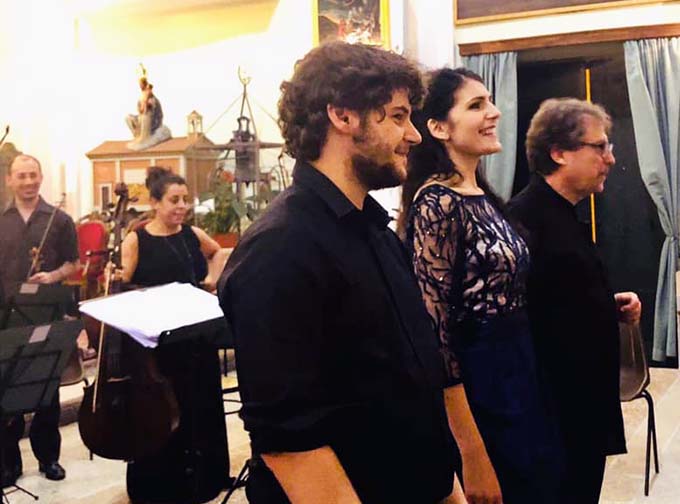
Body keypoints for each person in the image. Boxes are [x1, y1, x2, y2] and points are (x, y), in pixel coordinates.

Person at [218, 42, 461, 504]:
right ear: (343, 115)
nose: (413, 135)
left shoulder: (376, 232)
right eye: (398, 116)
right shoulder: (279, 249)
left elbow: (414, 389)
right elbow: (292, 444)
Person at [399, 68, 563, 504]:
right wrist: (471, 452)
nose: (494, 112)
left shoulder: (482, 195)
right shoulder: (437, 202)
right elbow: (435, 335)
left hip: (518, 368)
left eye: (489, 101)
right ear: (438, 128)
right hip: (480, 381)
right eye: (476, 105)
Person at [508, 98, 642, 504]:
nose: (610, 159)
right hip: (556, 419)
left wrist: (606, 304)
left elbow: (559, 300)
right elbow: (523, 325)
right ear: (559, 153)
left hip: (581, 410)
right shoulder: (523, 221)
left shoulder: (563, 213)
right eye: (599, 147)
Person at [120, 166, 230, 503]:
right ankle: (165, 486)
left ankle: (206, 479)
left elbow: (219, 252)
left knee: (202, 404)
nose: (182, 206)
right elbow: (123, 282)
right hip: (158, 345)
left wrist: (211, 281)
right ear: (155, 203)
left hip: (195, 337)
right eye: (174, 200)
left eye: (185, 199)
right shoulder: (137, 239)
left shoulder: (192, 235)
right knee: (166, 410)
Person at [0, 154, 77, 487]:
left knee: (47, 390)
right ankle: (8, 463)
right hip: (6, 318)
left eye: (33, 175)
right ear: (9, 180)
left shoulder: (59, 220)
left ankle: (49, 458)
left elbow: (73, 263)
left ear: (41, 177)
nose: (28, 181)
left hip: (46, 314)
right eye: (21, 176)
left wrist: (53, 275)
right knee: (6, 391)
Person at [125, 76, 171, 151]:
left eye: (141, 84)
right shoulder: (142, 97)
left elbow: (151, 111)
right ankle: (137, 135)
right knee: (128, 118)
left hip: (152, 122)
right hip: (141, 119)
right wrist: (142, 107)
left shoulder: (152, 99)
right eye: (140, 85)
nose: (140, 86)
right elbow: (140, 110)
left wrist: (146, 103)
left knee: (144, 117)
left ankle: (144, 137)